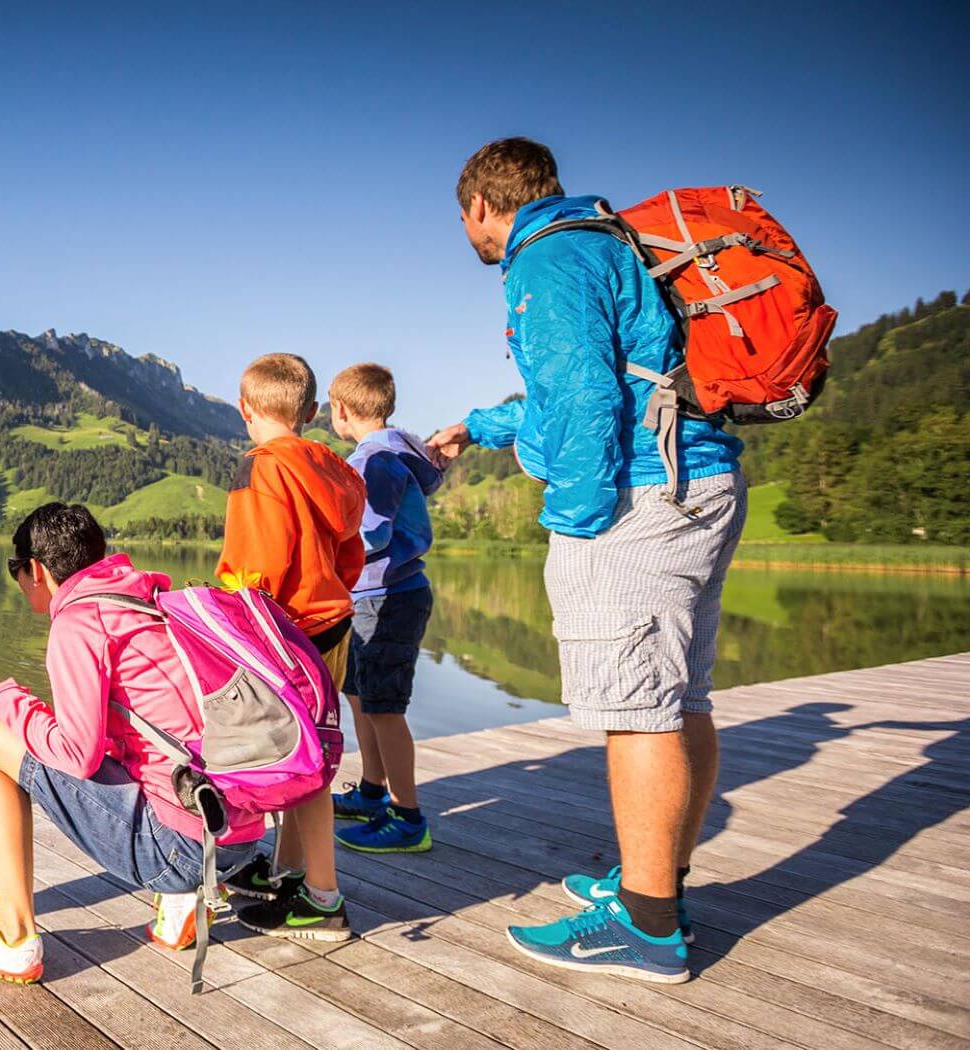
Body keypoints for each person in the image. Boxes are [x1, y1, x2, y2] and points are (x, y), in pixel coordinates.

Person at [428, 137, 745, 984]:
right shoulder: (604, 242)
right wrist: (482, 425)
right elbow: (606, 376)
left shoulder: (546, 259)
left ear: (482, 207)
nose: (467, 232)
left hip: (638, 499)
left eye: (463, 217)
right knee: (681, 695)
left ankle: (646, 931)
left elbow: (585, 400)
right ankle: (655, 884)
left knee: (637, 707)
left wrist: (574, 520)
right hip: (698, 476)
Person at [0, 504, 264, 983]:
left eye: (15, 569)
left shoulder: (79, 622)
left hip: (182, 849)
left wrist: (9, 702)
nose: (18, 581)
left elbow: (76, 756)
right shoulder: (153, 600)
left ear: (36, 570)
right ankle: (184, 900)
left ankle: (12, 934)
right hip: (239, 835)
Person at [209, 353, 367, 939]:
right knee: (313, 756)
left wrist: (229, 612)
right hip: (332, 621)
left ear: (245, 408)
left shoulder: (259, 467)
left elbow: (258, 564)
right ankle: (290, 873)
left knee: (298, 765)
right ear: (310, 411)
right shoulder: (335, 468)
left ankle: (324, 900)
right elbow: (352, 554)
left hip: (282, 628)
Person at [323, 363, 443, 853]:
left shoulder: (372, 462)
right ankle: (373, 792)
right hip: (372, 596)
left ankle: (408, 817)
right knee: (360, 696)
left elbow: (370, 533)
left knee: (385, 709)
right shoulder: (386, 453)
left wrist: (325, 538)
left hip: (387, 596)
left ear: (342, 410)